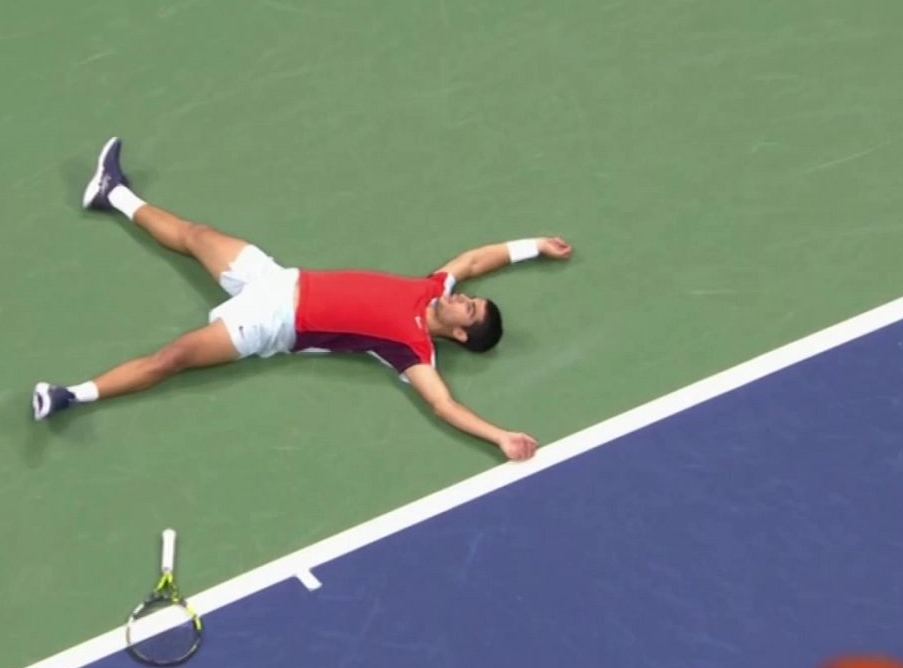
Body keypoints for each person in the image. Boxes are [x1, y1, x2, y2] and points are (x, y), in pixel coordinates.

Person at [31, 138, 573, 461]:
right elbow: (476, 260)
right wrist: (535, 247)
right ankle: (112, 192)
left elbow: (444, 405)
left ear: (459, 335)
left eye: (470, 310)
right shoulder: (435, 287)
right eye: (471, 300)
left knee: (169, 360)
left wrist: (500, 437)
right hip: (276, 279)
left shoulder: (412, 350)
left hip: (269, 324)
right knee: (197, 235)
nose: (466, 297)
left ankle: (70, 396)